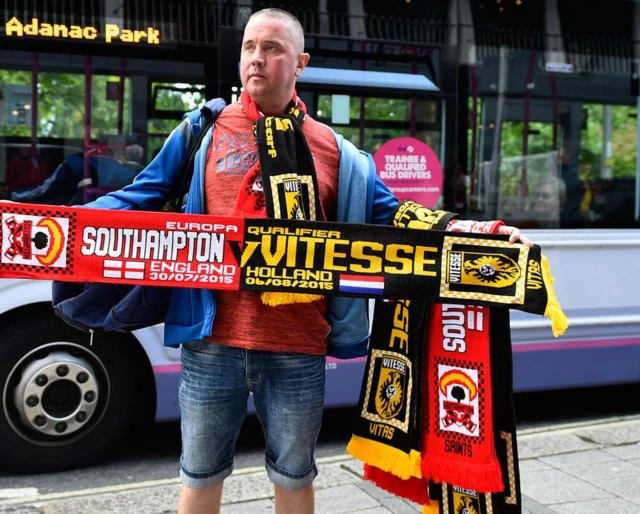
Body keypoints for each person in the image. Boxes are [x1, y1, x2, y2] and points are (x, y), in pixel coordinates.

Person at [74, 9, 531, 514]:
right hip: (211, 343)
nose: (257, 58)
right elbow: (140, 195)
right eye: (250, 46)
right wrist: (55, 226)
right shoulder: (201, 131)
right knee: (199, 476)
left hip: (298, 348)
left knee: (293, 478)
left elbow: (399, 214)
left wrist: (476, 230)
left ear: (300, 63)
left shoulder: (338, 153)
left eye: (272, 48)